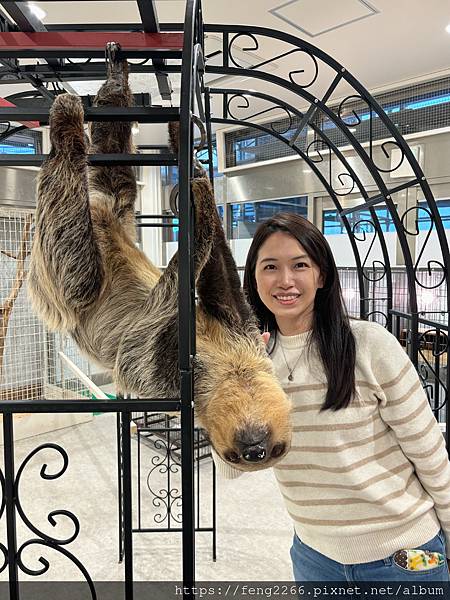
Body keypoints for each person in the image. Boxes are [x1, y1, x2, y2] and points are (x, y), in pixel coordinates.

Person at [212, 212, 450, 583]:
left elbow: (431, 456)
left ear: (321, 276)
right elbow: (231, 469)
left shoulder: (370, 345)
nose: (285, 280)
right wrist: (231, 386)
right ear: (254, 279)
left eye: (300, 265)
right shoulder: (254, 363)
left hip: (408, 557)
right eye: (270, 266)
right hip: (315, 560)